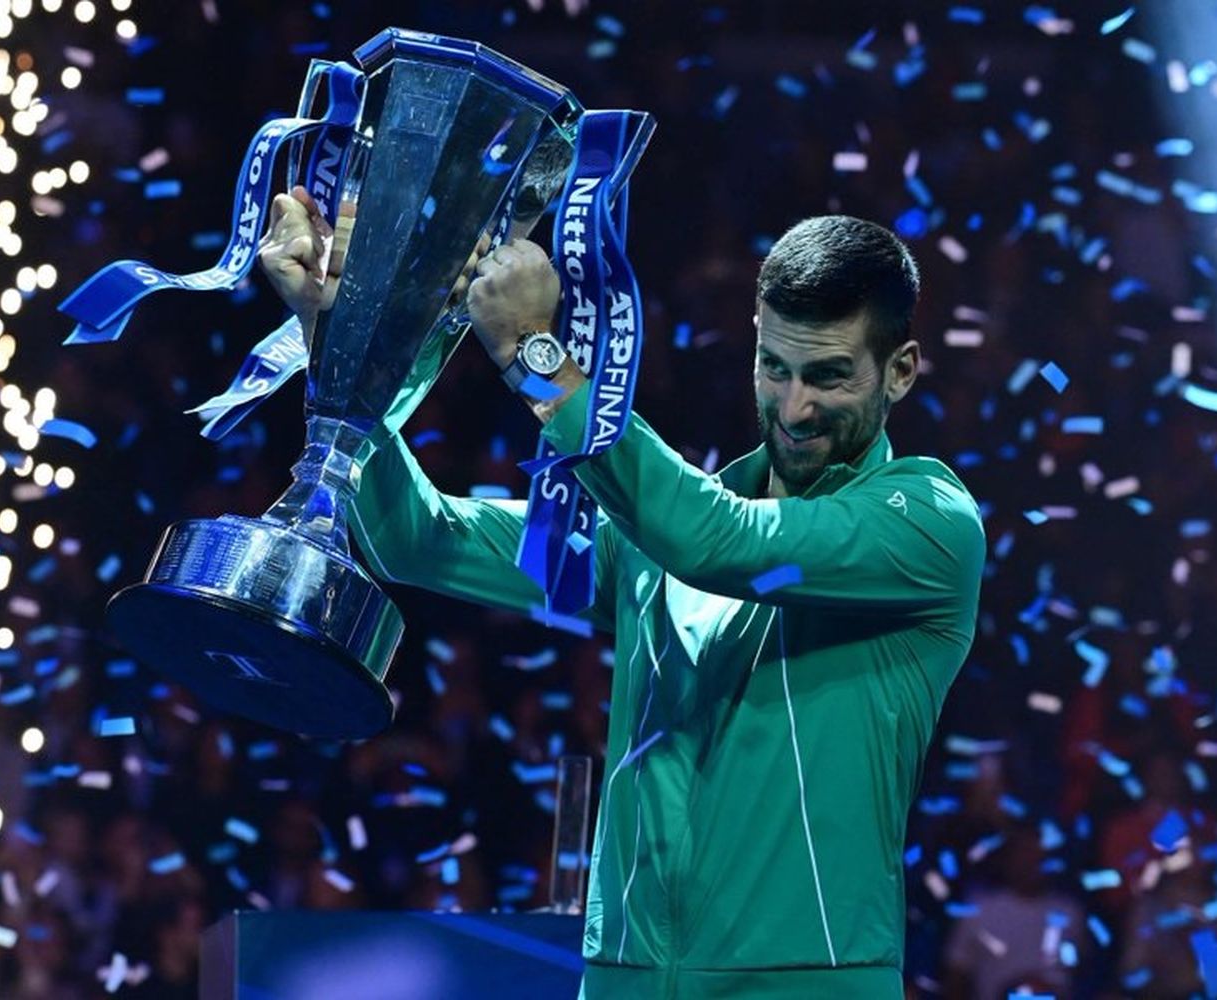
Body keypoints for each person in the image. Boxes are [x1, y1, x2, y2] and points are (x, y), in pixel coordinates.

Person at [259, 188, 986, 998]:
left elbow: (719, 543)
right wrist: (341, 339)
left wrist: (533, 352)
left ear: (901, 372)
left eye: (829, 377)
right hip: (622, 980)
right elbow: (414, 537)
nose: (794, 407)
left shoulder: (925, 523)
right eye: (775, 367)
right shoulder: (661, 525)